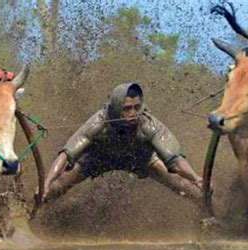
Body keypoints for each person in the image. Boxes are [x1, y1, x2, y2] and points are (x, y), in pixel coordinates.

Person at [42, 83, 203, 203]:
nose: (133, 114)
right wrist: (48, 182)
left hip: (140, 158)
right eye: (127, 109)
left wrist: (196, 178)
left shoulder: (148, 124)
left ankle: (209, 207)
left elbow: (175, 160)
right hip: (98, 158)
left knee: (178, 181)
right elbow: (67, 154)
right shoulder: (99, 122)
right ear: (117, 107)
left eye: (136, 107)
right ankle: (35, 205)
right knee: (59, 184)